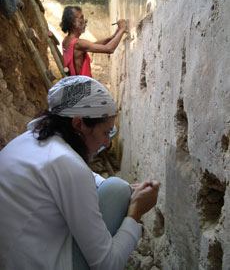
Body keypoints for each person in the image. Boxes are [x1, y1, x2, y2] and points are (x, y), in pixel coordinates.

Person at [0, 76, 160, 270]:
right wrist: (136, 212)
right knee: (117, 189)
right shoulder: (68, 164)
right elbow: (108, 264)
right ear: (78, 124)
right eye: (105, 132)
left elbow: (75, 176)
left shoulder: (28, 140)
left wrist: (127, 188)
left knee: (118, 187)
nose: (107, 143)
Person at [60, 6, 127, 77]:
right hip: (83, 86)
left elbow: (92, 45)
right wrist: (122, 29)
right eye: (81, 17)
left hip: (77, 84)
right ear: (74, 22)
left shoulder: (67, 40)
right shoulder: (78, 43)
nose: (85, 20)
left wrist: (115, 35)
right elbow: (109, 49)